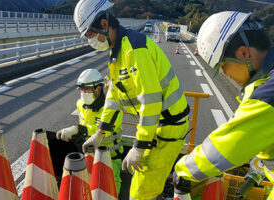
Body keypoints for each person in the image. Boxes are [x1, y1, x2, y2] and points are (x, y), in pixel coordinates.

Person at [73, 0, 190, 199]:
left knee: (141, 191)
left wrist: (140, 145)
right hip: (156, 126)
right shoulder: (117, 51)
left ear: (103, 24)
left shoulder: (134, 50)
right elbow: (114, 96)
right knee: (143, 183)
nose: (90, 40)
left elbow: (151, 101)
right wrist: (100, 132)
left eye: (90, 34)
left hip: (169, 127)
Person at [173, 11, 274, 199]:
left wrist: (183, 169)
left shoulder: (267, 95)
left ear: (243, 53)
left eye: (223, 66)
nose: (226, 75)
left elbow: (226, 147)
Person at [56, 68, 124, 194]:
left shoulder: (112, 107)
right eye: (81, 89)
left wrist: (79, 129)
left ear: (98, 88)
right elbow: (84, 125)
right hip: (89, 151)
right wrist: (76, 134)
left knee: (111, 184)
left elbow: (107, 130)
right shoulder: (80, 104)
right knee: (88, 184)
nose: (83, 93)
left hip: (110, 155)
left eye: (86, 89)